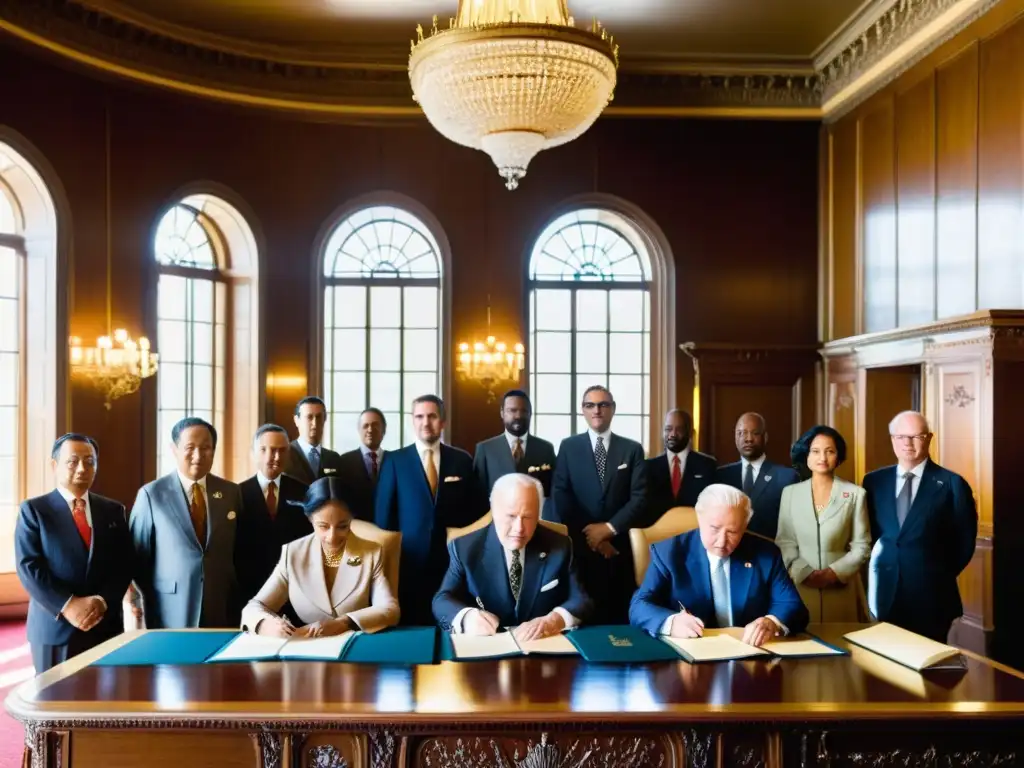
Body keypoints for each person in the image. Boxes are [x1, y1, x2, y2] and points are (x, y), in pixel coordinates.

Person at [629, 484, 808, 646]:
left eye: (732, 532)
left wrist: (771, 622)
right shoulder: (669, 552)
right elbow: (639, 605)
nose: (722, 541)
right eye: (714, 528)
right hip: (688, 659)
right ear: (700, 519)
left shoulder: (766, 554)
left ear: (745, 527)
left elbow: (793, 605)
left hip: (748, 657)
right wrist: (671, 622)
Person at [16, 434, 133, 673]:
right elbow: (29, 566)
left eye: (90, 462)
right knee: (54, 701)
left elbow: (124, 565)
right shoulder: (35, 510)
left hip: (104, 624)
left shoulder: (113, 510)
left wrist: (101, 601)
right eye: (73, 462)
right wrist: (68, 605)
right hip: (55, 626)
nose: (82, 468)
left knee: (106, 703)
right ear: (54, 465)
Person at [862, 410, 977, 642]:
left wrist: (934, 570)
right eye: (901, 436)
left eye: (916, 436)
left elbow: (964, 542)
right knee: (883, 666)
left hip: (932, 594)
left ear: (929, 438)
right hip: (883, 590)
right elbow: (869, 534)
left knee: (927, 669)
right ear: (892, 439)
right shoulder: (874, 481)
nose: (908, 443)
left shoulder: (951, 483)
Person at [433, 473, 591, 641]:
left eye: (528, 517)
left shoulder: (560, 544)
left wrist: (553, 620)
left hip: (543, 647)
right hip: (487, 651)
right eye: (511, 516)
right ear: (493, 510)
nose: (519, 528)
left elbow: (581, 599)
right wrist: (466, 617)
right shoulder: (465, 548)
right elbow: (442, 600)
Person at [375, 394, 485, 624]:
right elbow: (384, 519)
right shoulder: (394, 460)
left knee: (451, 624)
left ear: (442, 421)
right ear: (413, 421)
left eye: (432, 416)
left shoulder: (461, 460)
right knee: (411, 628)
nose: (426, 422)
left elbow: (475, 512)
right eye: (420, 417)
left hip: (453, 562)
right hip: (408, 563)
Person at [241, 477, 399, 637]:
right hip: (306, 648)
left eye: (342, 526)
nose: (332, 537)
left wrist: (344, 623)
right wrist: (265, 624)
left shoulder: (371, 552)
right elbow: (253, 607)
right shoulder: (293, 553)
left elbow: (390, 609)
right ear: (310, 519)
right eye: (323, 526)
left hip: (356, 645)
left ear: (351, 518)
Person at [129, 417, 245, 628]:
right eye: (190, 448)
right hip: (169, 606)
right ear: (174, 449)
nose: (198, 455)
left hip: (221, 604)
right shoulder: (152, 494)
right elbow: (137, 560)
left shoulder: (231, 492)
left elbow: (241, 550)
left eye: (206, 448)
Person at [551, 385, 646, 624]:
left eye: (603, 404)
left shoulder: (632, 449)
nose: (597, 410)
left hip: (620, 548)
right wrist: (593, 536)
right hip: (580, 550)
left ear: (613, 410)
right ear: (582, 410)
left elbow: (640, 497)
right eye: (590, 405)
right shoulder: (568, 447)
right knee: (583, 617)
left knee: (621, 619)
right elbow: (561, 495)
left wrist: (609, 529)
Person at [775, 426, 871, 623]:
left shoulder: (855, 494)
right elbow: (785, 542)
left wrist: (833, 573)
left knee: (844, 645)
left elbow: (862, 546)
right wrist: (804, 572)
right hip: (801, 586)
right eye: (816, 451)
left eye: (830, 451)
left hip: (842, 587)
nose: (823, 458)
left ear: (838, 456)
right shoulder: (790, 494)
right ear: (806, 455)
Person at [237, 424, 311, 608]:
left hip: (294, 590)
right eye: (268, 450)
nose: (276, 457)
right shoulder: (237, 493)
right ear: (254, 452)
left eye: (282, 450)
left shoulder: (303, 491)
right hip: (249, 589)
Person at [473, 390, 557, 517]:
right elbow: (478, 495)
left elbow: (552, 491)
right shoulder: (485, 449)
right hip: (497, 523)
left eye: (523, 411)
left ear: (530, 414)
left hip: (535, 521)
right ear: (502, 413)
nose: (518, 416)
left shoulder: (545, 448)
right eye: (512, 410)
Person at [715, 412, 800, 539]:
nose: (748, 438)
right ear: (735, 438)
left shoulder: (786, 477)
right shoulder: (720, 476)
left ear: (765, 437)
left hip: (770, 553)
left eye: (755, 433)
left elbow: (794, 526)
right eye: (742, 433)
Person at [645, 409, 716, 522]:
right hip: (658, 534)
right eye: (668, 429)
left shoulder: (707, 465)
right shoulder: (648, 467)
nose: (673, 434)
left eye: (679, 430)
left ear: (690, 433)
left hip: (694, 532)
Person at [336, 408, 387, 521]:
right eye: (365, 426)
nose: (370, 430)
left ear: (384, 430)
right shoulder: (343, 462)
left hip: (388, 530)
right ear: (359, 430)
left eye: (375, 425)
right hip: (356, 529)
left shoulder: (394, 460)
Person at [282, 396, 343, 484]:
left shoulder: (334, 458)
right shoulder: (284, 455)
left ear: (324, 419)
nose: (314, 424)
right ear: (296, 420)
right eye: (309, 417)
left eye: (318, 417)